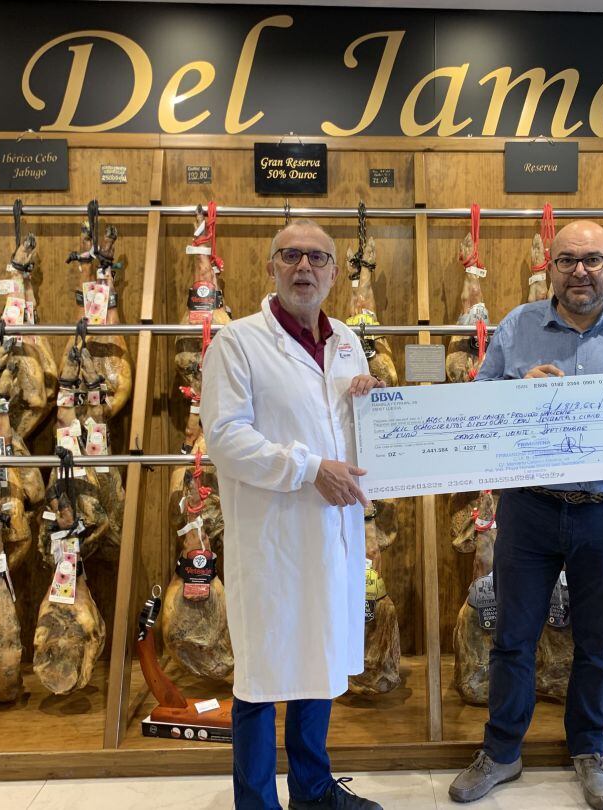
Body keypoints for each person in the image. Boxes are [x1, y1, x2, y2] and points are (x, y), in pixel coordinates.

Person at [448, 220, 603, 810]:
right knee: (512, 637)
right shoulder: (516, 326)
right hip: (529, 509)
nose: (580, 270)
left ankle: (589, 751)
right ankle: (503, 751)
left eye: (592, 259)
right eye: (567, 260)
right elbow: (478, 404)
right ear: (549, 265)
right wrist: (516, 390)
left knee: (599, 641)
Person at [201, 219, 385, 810]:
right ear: (270, 267)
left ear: (334, 272)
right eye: (290, 256)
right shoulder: (237, 343)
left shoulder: (347, 343)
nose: (303, 267)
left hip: (334, 534)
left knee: (319, 657)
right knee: (260, 675)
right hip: (272, 540)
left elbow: (347, 435)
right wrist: (309, 469)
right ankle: (255, 802)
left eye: (316, 258)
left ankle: (312, 790)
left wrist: (372, 406)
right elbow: (226, 440)